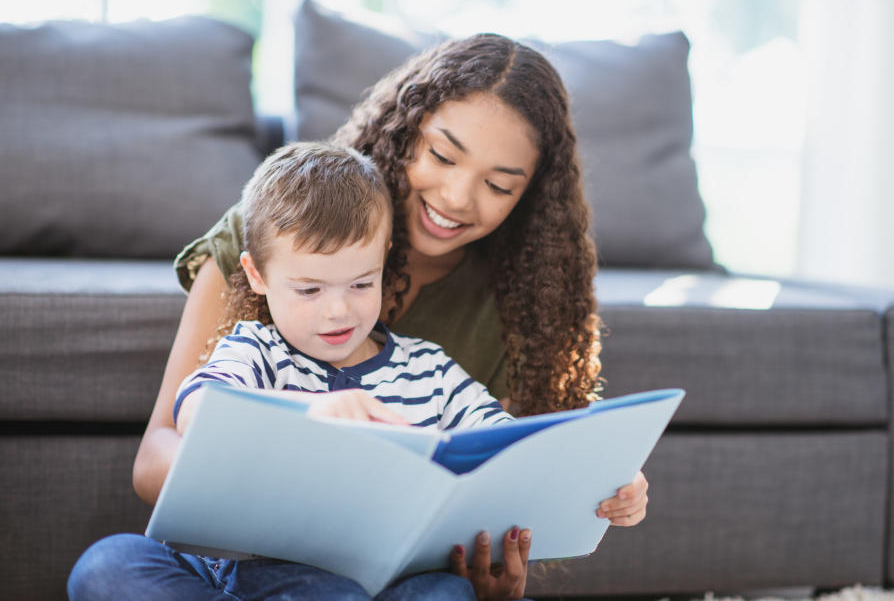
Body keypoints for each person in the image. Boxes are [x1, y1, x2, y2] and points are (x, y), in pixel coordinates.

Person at [133, 33, 649, 600]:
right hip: (258, 560)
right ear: (404, 134)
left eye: (498, 185)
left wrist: (596, 478)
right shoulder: (280, 229)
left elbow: (507, 458)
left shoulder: (481, 326)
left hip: (386, 578)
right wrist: (284, 461)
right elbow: (164, 446)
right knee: (113, 567)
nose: (456, 196)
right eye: (442, 156)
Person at [69, 142, 518, 601]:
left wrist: (584, 486)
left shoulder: (431, 370)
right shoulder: (255, 349)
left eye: (362, 283)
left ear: (385, 255)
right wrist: (311, 409)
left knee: (443, 593)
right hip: (242, 571)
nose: (338, 310)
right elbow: (199, 409)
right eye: (309, 290)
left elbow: (509, 446)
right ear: (258, 275)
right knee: (107, 567)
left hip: (376, 582)